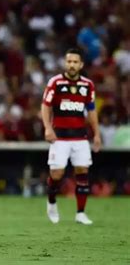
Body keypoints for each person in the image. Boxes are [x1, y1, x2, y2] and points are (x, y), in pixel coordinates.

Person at [41, 48, 101, 225]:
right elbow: (45, 106)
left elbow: (91, 111)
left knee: (82, 171)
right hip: (59, 138)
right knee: (57, 174)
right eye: (69, 61)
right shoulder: (55, 82)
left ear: (81, 64)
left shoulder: (88, 85)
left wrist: (96, 134)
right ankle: (51, 203)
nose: (72, 65)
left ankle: (80, 213)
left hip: (80, 138)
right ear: (65, 63)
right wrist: (47, 128)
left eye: (75, 62)